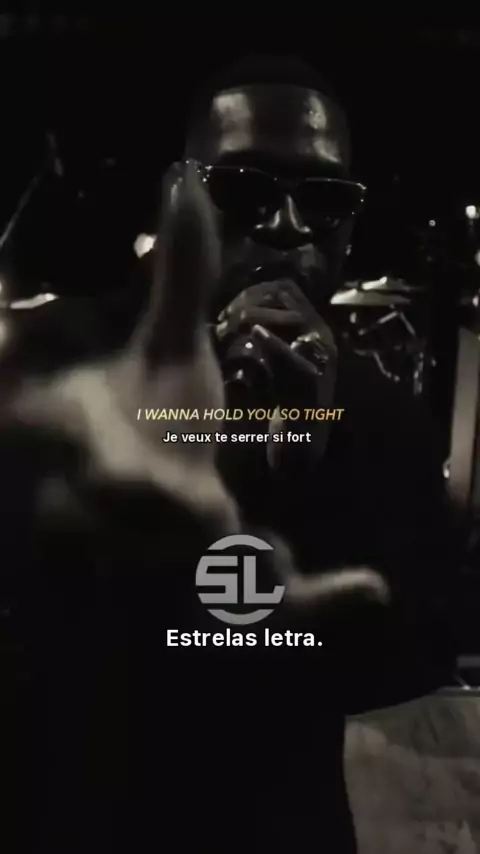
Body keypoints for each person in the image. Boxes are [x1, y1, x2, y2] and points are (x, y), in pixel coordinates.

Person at [0, 56, 460, 853]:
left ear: (351, 226)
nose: (286, 227)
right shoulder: (60, 362)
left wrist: (309, 476)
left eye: (325, 200)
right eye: (243, 190)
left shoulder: (382, 416)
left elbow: (408, 675)